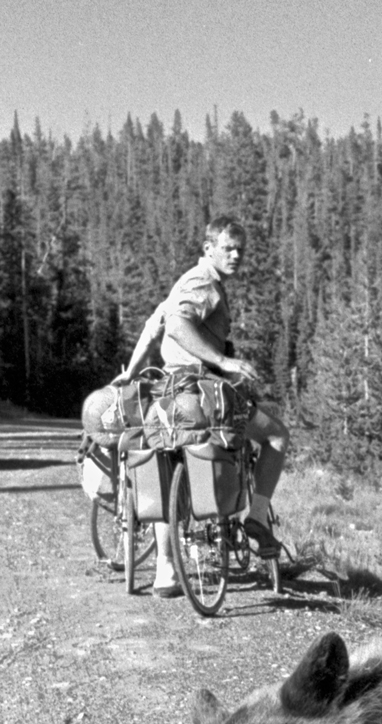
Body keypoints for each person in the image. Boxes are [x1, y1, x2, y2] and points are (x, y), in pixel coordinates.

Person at [116, 215, 290, 597]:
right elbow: (176, 325)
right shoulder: (204, 282)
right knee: (276, 435)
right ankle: (255, 518)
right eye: (228, 248)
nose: (236, 255)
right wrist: (225, 362)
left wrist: (131, 373)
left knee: (165, 463)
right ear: (208, 248)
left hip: (168, 392)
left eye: (240, 248)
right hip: (202, 390)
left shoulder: (185, 281)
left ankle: (166, 570)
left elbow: (154, 324)